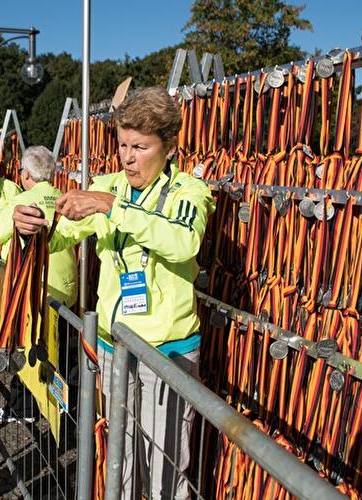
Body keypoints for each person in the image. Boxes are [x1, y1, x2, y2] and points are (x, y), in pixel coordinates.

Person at [13, 87, 215, 499]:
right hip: (111, 346)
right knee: (117, 453)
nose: (127, 157)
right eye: (122, 144)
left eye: (140, 147)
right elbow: (60, 234)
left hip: (165, 352)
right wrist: (30, 227)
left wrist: (112, 207)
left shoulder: (189, 191)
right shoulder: (108, 185)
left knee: (164, 468)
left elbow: (182, 241)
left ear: (169, 147)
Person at [0, 146, 78, 423]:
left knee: (25, 348)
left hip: (31, 290)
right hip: (65, 290)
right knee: (60, 351)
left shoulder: (21, 202)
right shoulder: (64, 199)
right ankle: (64, 410)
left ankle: (24, 409)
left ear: (25, 174)